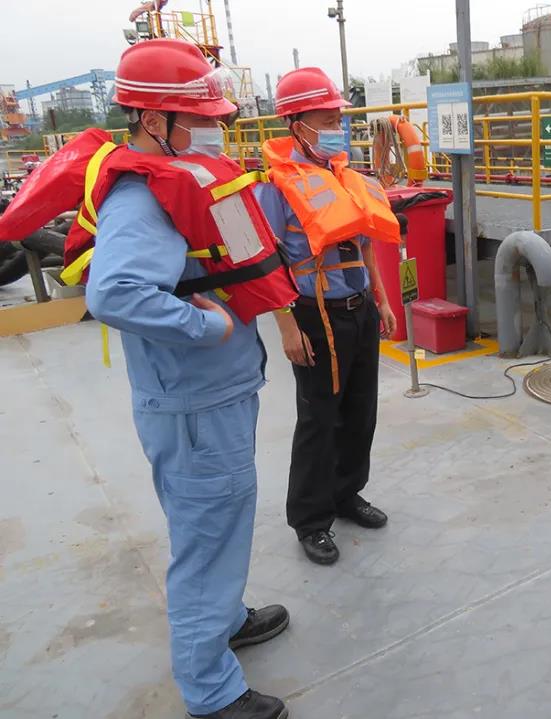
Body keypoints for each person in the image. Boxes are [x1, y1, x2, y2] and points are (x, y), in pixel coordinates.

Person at [82, 40, 294, 718]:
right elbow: (113, 293)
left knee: (218, 521)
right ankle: (211, 691)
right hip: (194, 402)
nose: (214, 129)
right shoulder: (141, 196)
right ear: (153, 120)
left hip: (213, 394)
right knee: (206, 535)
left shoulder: (181, 177)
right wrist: (206, 327)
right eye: (200, 118)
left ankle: (225, 619)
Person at [255, 67, 400, 566]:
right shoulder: (277, 187)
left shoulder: (345, 176)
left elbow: (366, 245)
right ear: (297, 125)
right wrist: (287, 326)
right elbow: (266, 259)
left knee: (361, 411)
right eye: (328, 119)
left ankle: (346, 493)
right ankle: (310, 519)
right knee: (318, 418)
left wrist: (382, 299)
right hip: (314, 315)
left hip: (359, 308)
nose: (338, 127)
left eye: (339, 118)